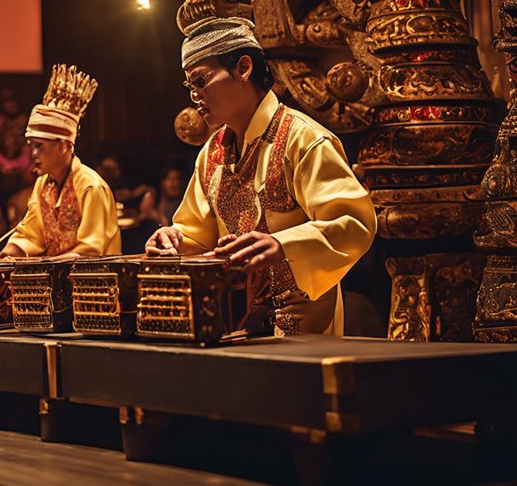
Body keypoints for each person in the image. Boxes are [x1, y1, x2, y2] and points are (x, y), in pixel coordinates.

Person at [145, 17, 376, 335]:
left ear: (243, 68)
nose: (194, 96)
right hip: (230, 318)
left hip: (302, 322)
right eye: (190, 86)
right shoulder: (212, 151)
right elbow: (197, 234)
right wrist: (172, 240)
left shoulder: (303, 138)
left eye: (201, 81)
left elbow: (353, 224)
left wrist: (283, 244)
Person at [0, 64, 121, 258]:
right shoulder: (42, 185)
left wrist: (45, 264)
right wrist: (4, 257)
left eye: (39, 146)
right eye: (31, 145)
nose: (32, 153)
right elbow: (30, 235)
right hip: (57, 280)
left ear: (63, 146)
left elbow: (90, 251)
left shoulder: (90, 186)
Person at [0, 89, 32, 196]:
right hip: (2, 164)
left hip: (23, 164)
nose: (11, 105)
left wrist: (21, 163)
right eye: (7, 102)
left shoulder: (26, 120)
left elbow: (28, 146)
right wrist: (7, 164)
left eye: (13, 101)